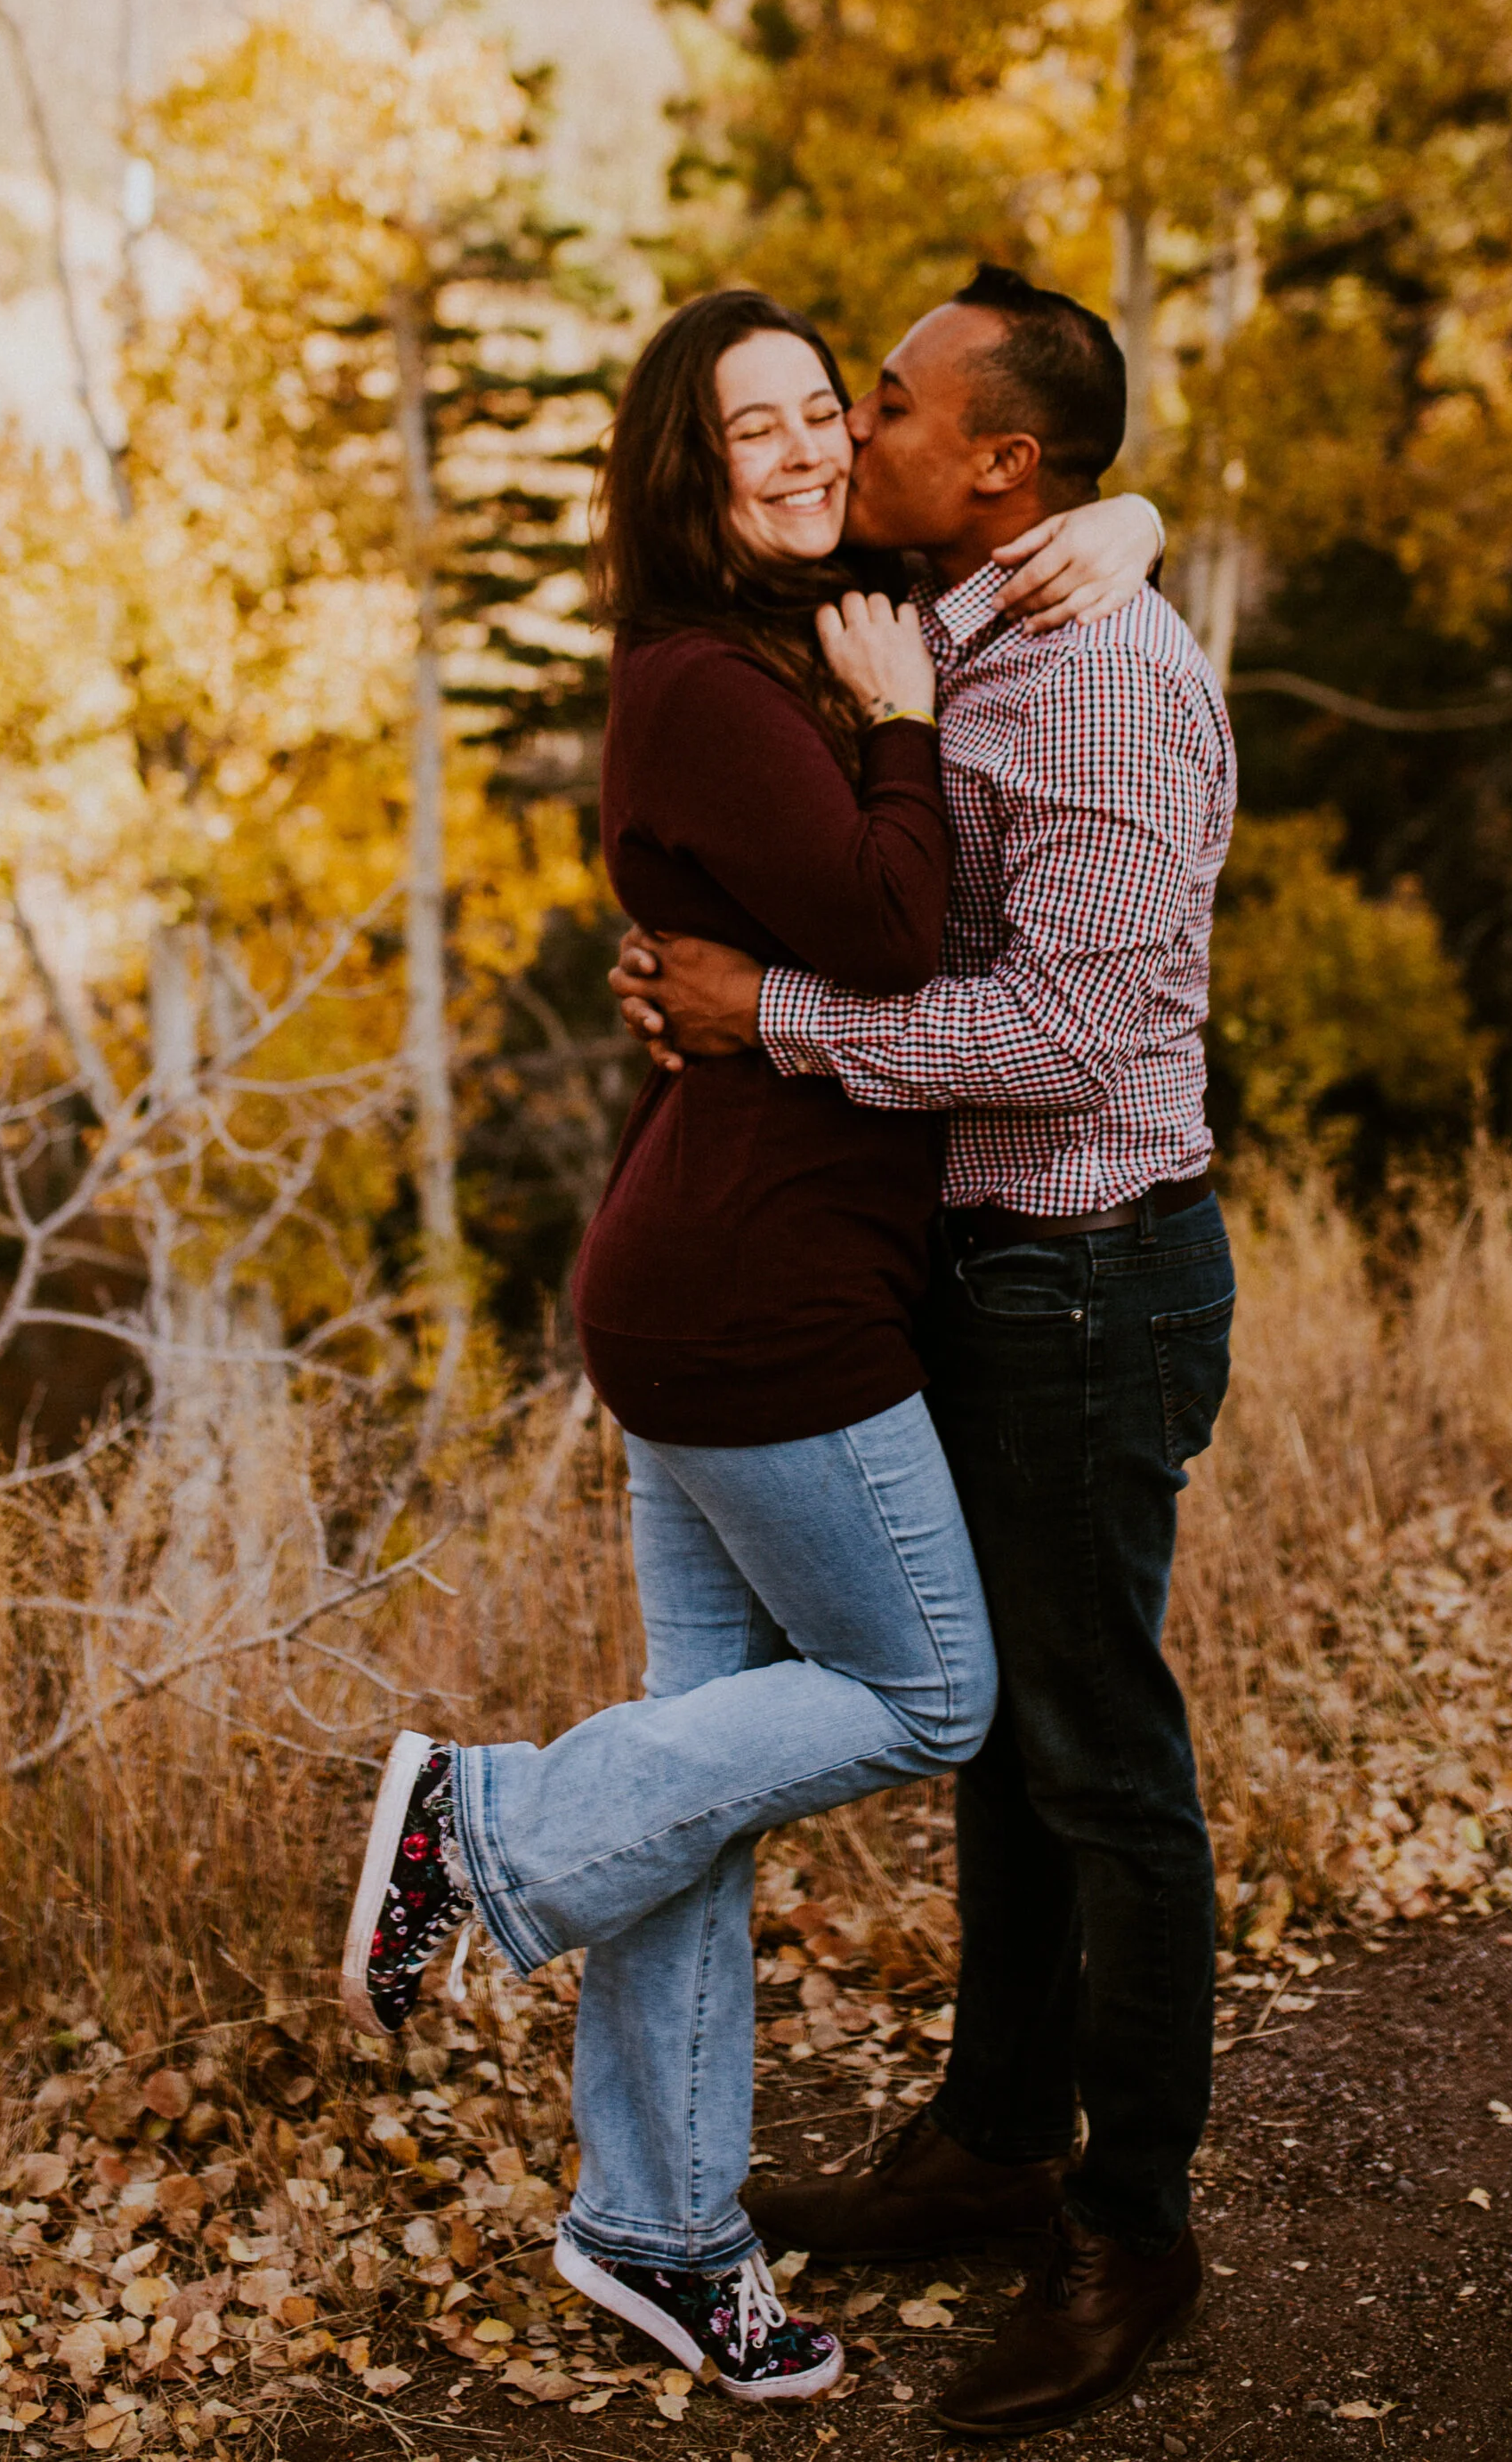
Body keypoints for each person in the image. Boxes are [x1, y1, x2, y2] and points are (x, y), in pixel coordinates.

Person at [338, 287, 1161, 2412]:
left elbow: (1029, 520)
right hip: (755, 1292)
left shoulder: (849, 609)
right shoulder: (712, 682)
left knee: (698, 1760)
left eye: (829, 410)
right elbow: (888, 932)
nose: (808, 447)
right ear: (680, 475)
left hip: (716, 1265)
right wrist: (889, 736)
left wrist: (1131, 518)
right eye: (759, 429)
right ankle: (485, 1834)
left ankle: (658, 2226)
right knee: (929, 1690)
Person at [610, 266, 1237, 2442]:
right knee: (1010, 1743)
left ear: (1001, 472)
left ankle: (1129, 2229)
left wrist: (763, 1015)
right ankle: (990, 2135)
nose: (846, 437)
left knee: (1093, 1753)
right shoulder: (954, 605)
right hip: (979, 1272)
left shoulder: (1084, 674)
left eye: (881, 406)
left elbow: (1059, 1042)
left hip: (1084, 1270)